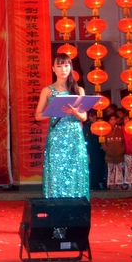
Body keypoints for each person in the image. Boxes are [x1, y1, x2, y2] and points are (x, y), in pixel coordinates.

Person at [34, 53, 89, 199]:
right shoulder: (47, 90)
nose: (63, 69)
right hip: (56, 135)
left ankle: (77, 203)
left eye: (66, 65)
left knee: (75, 169)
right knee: (57, 170)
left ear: (70, 67)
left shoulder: (78, 90)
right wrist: (54, 111)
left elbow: (84, 117)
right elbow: (38, 115)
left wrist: (75, 112)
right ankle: (55, 203)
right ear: (53, 69)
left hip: (75, 136)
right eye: (59, 66)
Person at [83, 109, 106, 190]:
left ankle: (100, 182)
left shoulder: (101, 124)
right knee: (91, 165)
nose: (89, 117)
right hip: (90, 147)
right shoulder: (87, 125)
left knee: (99, 165)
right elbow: (85, 136)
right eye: (89, 116)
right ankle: (92, 183)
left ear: (95, 116)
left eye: (91, 116)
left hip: (99, 147)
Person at [102, 114, 126, 190]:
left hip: (119, 153)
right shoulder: (105, 130)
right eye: (111, 119)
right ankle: (111, 184)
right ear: (108, 121)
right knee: (110, 170)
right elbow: (103, 142)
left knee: (119, 170)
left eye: (114, 119)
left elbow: (123, 141)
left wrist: (122, 150)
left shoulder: (119, 130)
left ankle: (119, 184)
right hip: (109, 154)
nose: (113, 121)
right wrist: (107, 150)